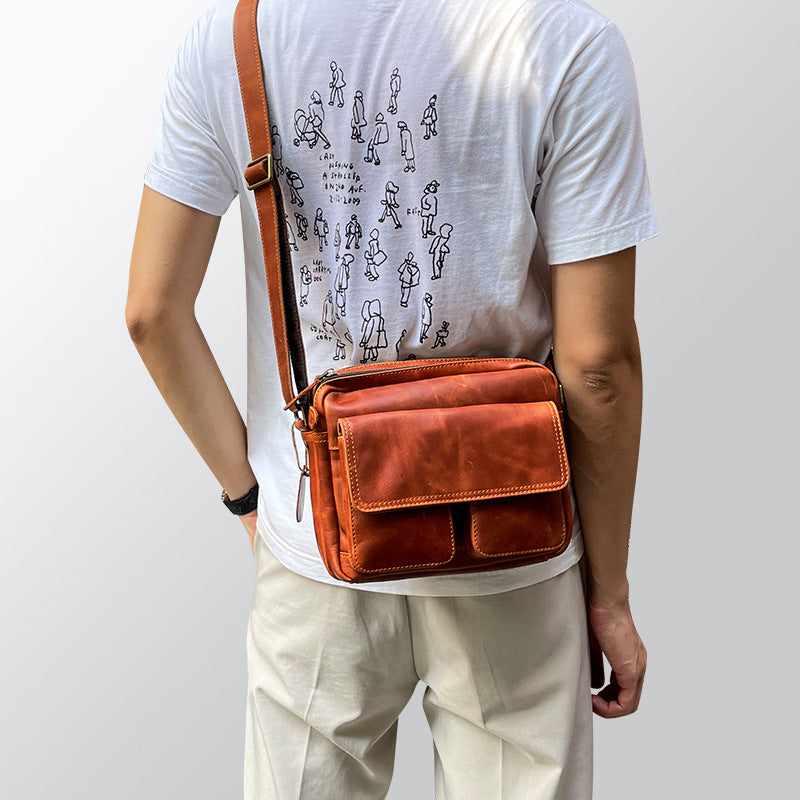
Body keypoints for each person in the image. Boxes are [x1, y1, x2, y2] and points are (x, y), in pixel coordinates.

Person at [127, 0, 658, 797]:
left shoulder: (233, 41)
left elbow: (152, 312)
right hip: (513, 540)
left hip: (318, 538)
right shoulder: (570, 42)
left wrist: (251, 498)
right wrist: (608, 592)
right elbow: (599, 365)